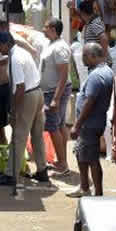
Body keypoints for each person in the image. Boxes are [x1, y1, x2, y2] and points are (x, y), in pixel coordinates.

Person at [0, 32, 51, 187]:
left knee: (18, 136)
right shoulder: (23, 52)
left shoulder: (15, 59)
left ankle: (10, 174)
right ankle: (42, 171)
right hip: (37, 93)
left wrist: (13, 111)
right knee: (37, 136)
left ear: (6, 44)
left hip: (28, 96)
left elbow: (20, 88)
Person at [69, 42, 112, 198]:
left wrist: (76, 125)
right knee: (82, 154)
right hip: (93, 122)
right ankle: (84, 187)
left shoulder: (97, 76)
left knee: (92, 159)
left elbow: (90, 101)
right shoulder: (104, 71)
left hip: (90, 124)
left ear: (93, 56)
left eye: (85, 56)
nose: (83, 59)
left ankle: (97, 194)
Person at [38, 19, 72, 174]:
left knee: (53, 126)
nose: (43, 29)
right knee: (59, 125)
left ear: (52, 29)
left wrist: (56, 99)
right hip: (51, 91)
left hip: (55, 92)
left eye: (45, 27)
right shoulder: (51, 44)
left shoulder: (59, 48)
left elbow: (63, 75)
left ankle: (63, 164)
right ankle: (61, 160)